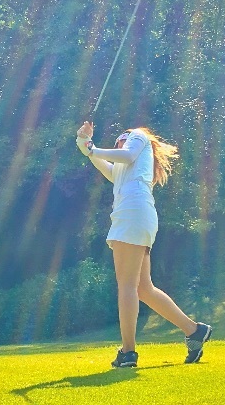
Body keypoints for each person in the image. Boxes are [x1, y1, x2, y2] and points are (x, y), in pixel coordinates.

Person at [76, 121, 212, 369]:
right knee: (143, 289)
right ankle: (194, 331)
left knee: (127, 285)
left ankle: (128, 352)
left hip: (132, 215)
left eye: (119, 139)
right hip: (136, 216)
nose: (117, 143)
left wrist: (93, 148)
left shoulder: (137, 136)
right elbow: (107, 166)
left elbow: (126, 155)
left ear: (127, 137)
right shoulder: (123, 171)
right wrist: (85, 146)